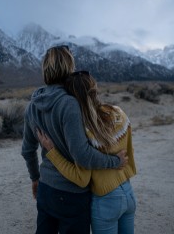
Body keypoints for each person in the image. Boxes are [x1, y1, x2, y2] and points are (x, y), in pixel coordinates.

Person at [21, 45, 128, 234]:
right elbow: (82, 155)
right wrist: (115, 161)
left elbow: (27, 150)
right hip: (71, 193)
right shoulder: (69, 103)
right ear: (69, 67)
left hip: (46, 188)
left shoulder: (32, 106)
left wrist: (35, 178)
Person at [37, 71, 137, 234]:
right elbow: (129, 153)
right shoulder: (119, 113)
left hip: (106, 200)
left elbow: (81, 179)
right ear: (94, 89)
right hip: (129, 193)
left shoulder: (87, 131)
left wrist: (52, 152)